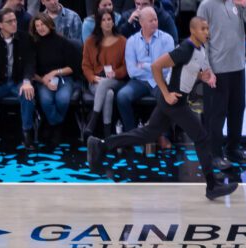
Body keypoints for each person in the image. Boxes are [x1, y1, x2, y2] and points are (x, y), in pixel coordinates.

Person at [88, 16, 237, 199]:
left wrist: (202, 76)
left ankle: (103, 145)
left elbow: (187, 70)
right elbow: (156, 66)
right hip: (174, 101)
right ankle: (212, 185)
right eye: (203, 29)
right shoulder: (185, 48)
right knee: (202, 137)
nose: (207, 32)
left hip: (175, 100)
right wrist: (165, 93)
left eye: (208, 29)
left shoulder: (200, 48)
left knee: (148, 133)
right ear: (193, 31)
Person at [198, 0, 246, 169]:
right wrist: (207, 69)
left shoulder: (237, 3)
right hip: (217, 70)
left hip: (238, 66)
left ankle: (233, 149)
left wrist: (245, 5)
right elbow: (200, 41)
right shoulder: (206, 5)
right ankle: (215, 155)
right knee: (217, 114)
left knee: (238, 108)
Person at [116, 6, 173, 133]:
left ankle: (164, 135)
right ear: (141, 23)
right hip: (139, 81)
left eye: (156, 20)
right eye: (151, 21)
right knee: (122, 96)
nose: (155, 23)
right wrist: (155, 66)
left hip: (160, 81)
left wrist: (144, 65)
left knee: (167, 98)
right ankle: (131, 133)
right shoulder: (131, 41)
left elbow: (167, 69)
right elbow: (132, 72)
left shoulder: (167, 39)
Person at [81, 7, 127, 138]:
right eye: (104, 20)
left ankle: (92, 122)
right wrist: (93, 78)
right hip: (96, 81)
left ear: (113, 22)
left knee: (108, 85)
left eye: (109, 19)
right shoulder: (90, 41)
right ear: (99, 23)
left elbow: (126, 67)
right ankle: (107, 133)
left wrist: (115, 73)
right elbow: (85, 65)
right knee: (109, 94)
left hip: (117, 80)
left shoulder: (122, 41)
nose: (107, 22)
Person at [30, 12, 73, 142]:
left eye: (42, 24)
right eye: (37, 26)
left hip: (63, 77)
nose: (40, 28)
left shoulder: (62, 41)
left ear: (50, 24)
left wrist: (55, 72)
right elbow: (30, 70)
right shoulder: (33, 44)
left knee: (62, 99)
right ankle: (56, 124)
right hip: (42, 80)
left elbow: (72, 67)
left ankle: (51, 124)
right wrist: (43, 81)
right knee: (46, 100)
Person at [0, 8, 37, 149]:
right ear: (0, 25)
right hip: (0, 82)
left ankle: (27, 133)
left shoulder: (24, 38)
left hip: (17, 81)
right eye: (9, 22)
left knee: (27, 94)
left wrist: (27, 81)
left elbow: (30, 63)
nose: (14, 24)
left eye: (14, 20)